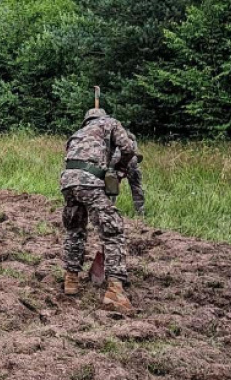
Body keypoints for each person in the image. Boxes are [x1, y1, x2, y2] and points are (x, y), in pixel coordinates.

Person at [60, 108, 137, 315]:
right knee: (113, 231)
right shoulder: (110, 123)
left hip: (67, 182)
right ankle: (115, 290)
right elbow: (128, 148)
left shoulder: (77, 134)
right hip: (90, 181)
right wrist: (120, 169)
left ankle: (71, 279)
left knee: (75, 230)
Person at [110, 132, 145, 216]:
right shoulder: (132, 140)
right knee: (136, 187)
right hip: (131, 161)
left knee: (111, 188)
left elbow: (113, 159)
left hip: (120, 162)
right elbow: (137, 155)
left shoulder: (116, 141)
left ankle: (110, 210)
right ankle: (140, 213)